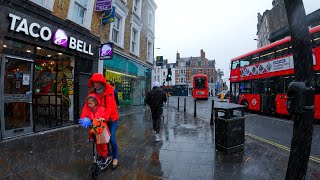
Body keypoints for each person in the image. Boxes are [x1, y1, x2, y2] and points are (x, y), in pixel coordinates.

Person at [87, 73, 119, 169]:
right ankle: (108, 155)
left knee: (112, 139)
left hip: (111, 119)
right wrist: (87, 117)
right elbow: (89, 104)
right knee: (103, 138)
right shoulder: (93, 92)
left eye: (97, 82)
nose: (96, 84)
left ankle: (115, 157)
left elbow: (110, 107)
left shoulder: (110, 90)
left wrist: (103, 119)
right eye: (94, 82)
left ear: (102, 82)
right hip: (100, 119)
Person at [80, 94, 111, 165]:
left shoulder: (101, 109)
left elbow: (105, 117)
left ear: (96, 102)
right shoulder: (89, 111)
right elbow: (87, 121)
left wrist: (101, 119)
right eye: (88, 103)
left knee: (103, 144)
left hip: (101, 131)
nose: (89, 105)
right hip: (94, 132)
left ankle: (105, 157)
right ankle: (101, 155)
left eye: (90, 103)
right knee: (97, 145)